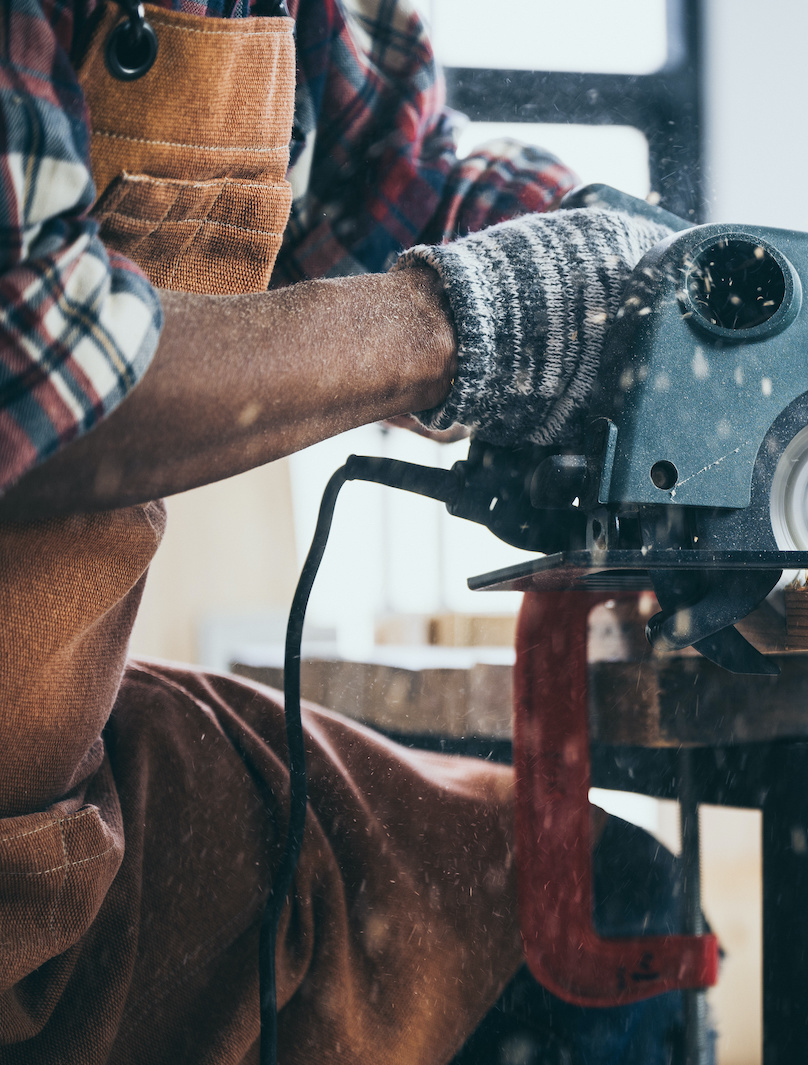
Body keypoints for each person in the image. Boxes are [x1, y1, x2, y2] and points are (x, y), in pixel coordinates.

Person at [0, 0, 687, 1062]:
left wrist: (661, 281)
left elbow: (396, 182)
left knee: (588, 906)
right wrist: (455, 325)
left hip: (48, 806)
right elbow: (35, 371)